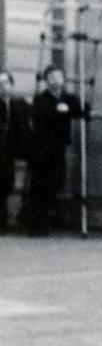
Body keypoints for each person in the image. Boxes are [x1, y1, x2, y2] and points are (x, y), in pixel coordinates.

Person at [24, 65, 88, 236]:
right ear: (46, 80)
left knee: (56, 182)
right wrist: (58, 111)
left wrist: (68, 110)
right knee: (39, 185)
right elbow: (41, 115)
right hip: (41, 147)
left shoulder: (68, 98)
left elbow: (84, 110)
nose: (55, 80)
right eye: (51, 77)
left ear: (63, 79)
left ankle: (43, 220)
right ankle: (36, 225)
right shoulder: (40, 98)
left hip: (59, 147)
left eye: (58, 76)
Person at [0, 70, 31, 232]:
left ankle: (4, 220)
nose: (2, 87)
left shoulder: (19, 104)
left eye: (5, 82)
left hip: (9, 151)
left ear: (11, 85)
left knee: (6, 184)